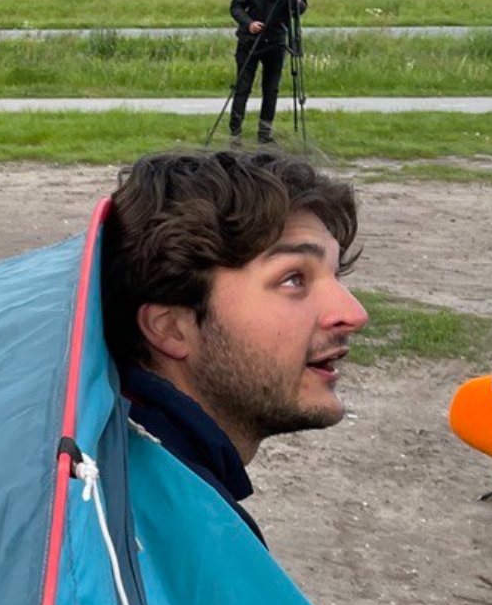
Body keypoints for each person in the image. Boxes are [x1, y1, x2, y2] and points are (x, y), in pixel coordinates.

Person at [101, 149, 369, 543]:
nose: (353, 312)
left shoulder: (116, 459)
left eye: (336, 273)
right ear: (172, 329)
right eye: (294, 279)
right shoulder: (172, 535)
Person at [227, 0, 308, 146]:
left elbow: (301, 8)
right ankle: (235, 134)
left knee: (271, 89)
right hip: (250, 39)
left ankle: (265, 134)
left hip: (277, 37)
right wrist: (249, 23)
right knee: (243, 87)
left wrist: (296, 0)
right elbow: (236, 6)